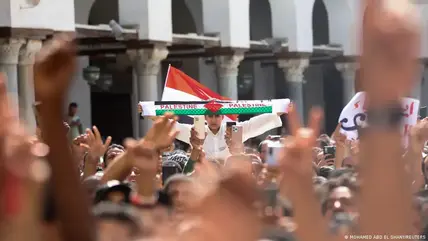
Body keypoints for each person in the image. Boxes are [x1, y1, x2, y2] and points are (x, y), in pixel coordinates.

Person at [173, 112, 284, 160]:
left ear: (222, 118)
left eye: (217, 116)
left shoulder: (232, 129)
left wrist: (278, 112)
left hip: (230, 177)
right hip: (205, 178)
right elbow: (174, 127)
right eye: (210, 116)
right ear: (205, 118)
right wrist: (156, 114)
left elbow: (253, 124)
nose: (213, 119)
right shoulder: (198, 130)